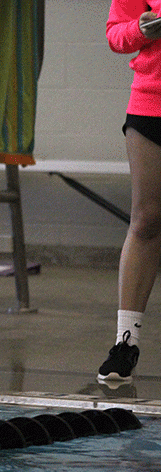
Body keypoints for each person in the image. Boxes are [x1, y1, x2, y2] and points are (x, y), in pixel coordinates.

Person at [99, 4, 161, 383]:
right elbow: (115, 35)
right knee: (146, 219)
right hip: (150, 101)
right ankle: (126, 343)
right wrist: (142, 28)